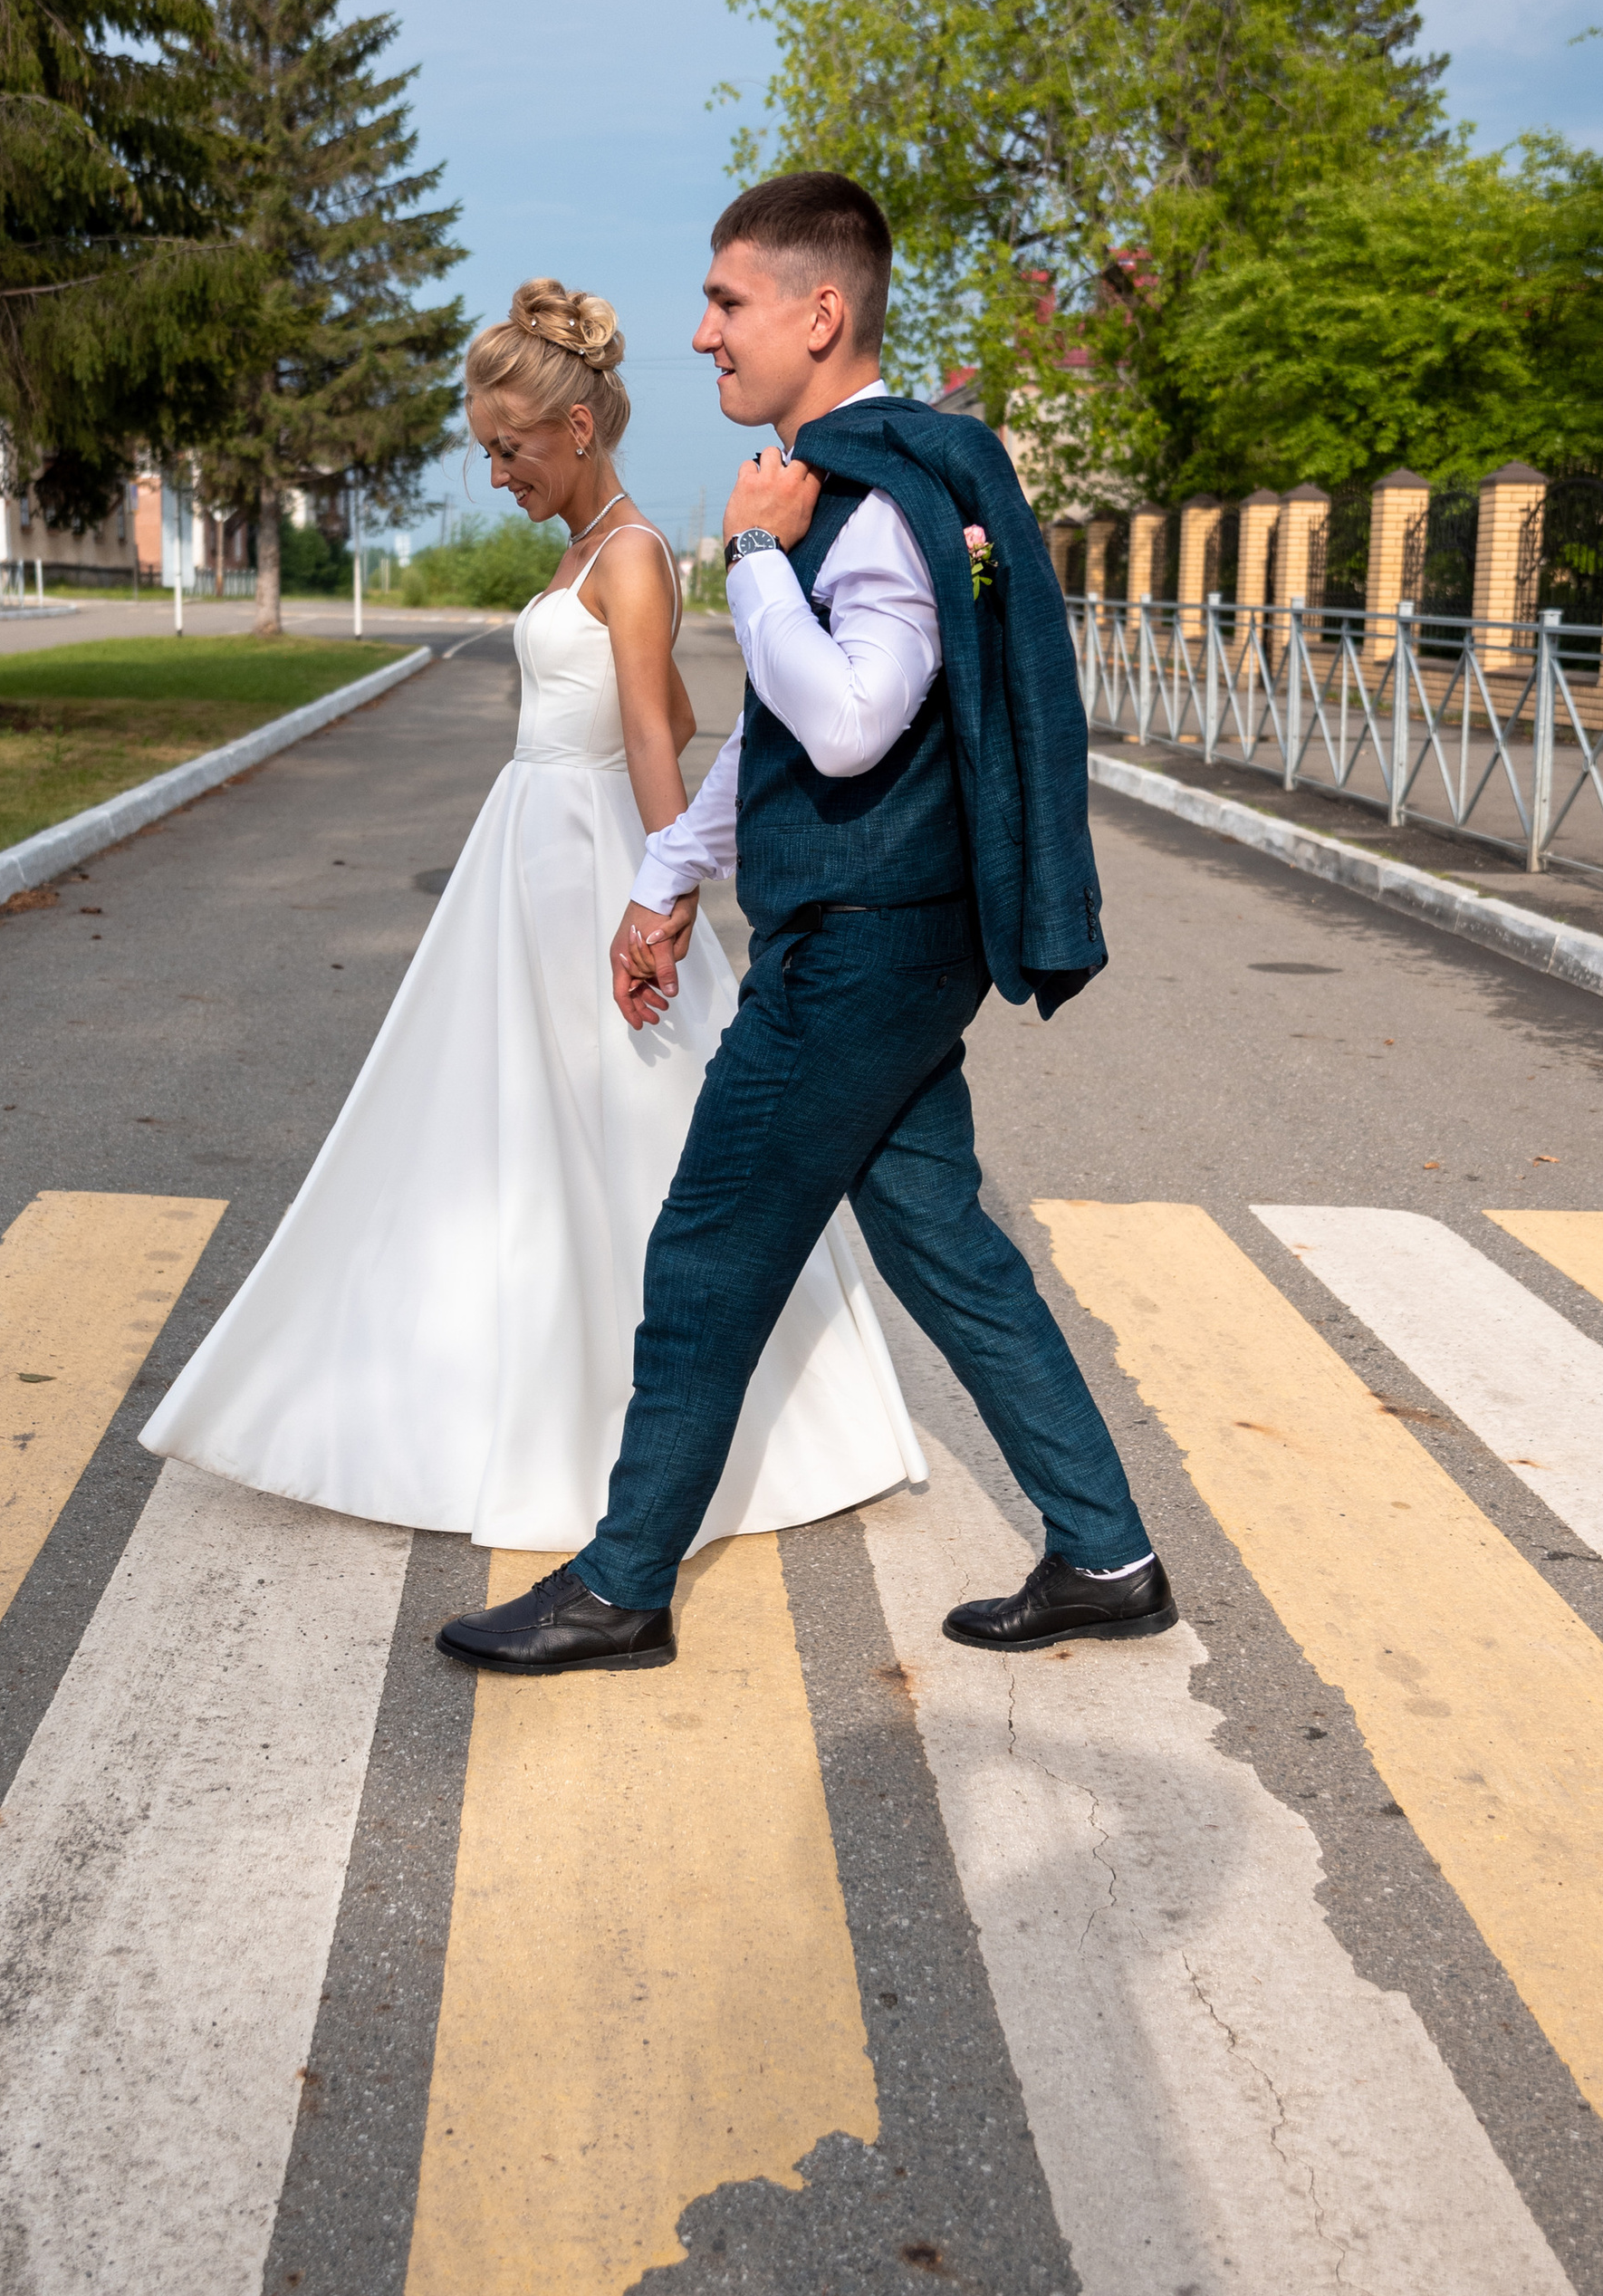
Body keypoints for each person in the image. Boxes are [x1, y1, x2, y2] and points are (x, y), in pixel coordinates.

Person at [437, 176, 1167, 1677]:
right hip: (880, 934)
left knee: (707, 1247)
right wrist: (666, 880)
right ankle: (1107, 1548)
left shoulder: (878, 497)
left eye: (728, 301)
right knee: (942, 1241)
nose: (701, 334)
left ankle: (623, 1585)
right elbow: (772, 748)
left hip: (863, 945)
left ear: (818, 312)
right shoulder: (828, 478)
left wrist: (761, 559)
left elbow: (844, 727)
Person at [139, 277, 924, 1551]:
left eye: (508, 445)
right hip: (526, 860)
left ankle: (627, 1426)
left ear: (575, 427)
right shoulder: (587, 550)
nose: (495, 468)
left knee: (618, 1129)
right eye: (486, 447)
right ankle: (493, 1382)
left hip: (580, 869)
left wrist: (663, 894)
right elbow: (667, 710)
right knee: (506, 1136)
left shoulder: (628, 554)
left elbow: (650, 744)